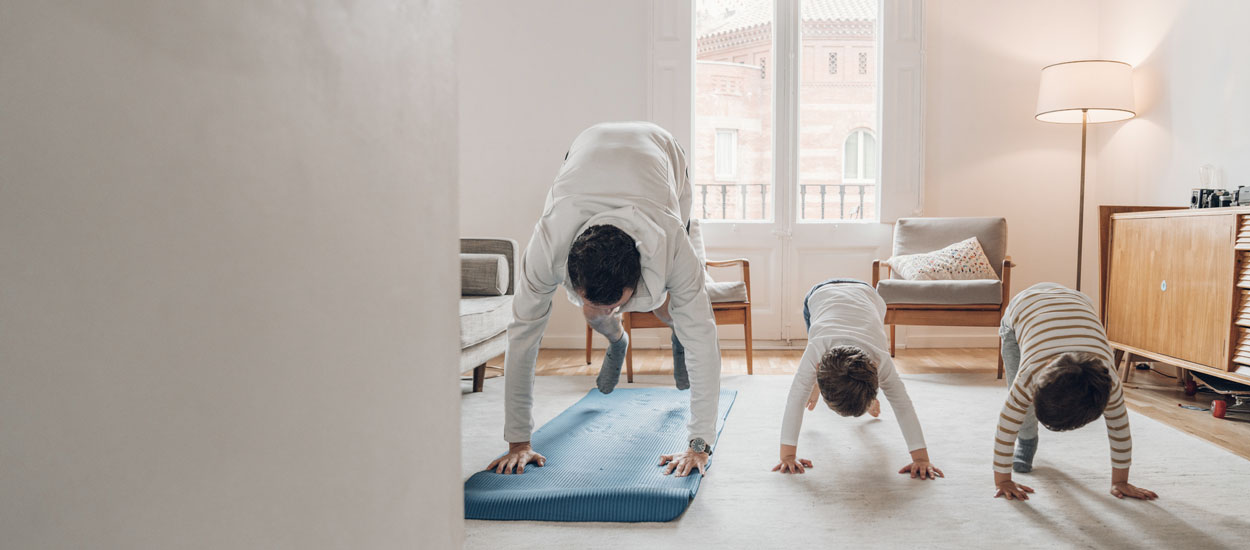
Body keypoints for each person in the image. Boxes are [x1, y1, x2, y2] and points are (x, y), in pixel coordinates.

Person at [487, 122, 722, 477]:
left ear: (639, 275)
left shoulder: (672, 243)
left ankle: (676, 332)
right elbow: (523, 337)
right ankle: (617, 339)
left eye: (619, 303)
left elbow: (704, 339)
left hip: (664, 157)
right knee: (593, 312)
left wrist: (699, 444)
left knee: (677, 311)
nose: (614, 308)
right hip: (587, 148)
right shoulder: (549, 243)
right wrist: (518, 441)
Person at [993, 282, 1157, 501]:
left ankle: (1028, 438)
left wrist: (1120, 481)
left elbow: (1119, 429)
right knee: (1019, 402)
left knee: (1023, 399)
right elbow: (1006, 424)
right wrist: (1003, 480)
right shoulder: (1029, 375)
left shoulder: (1109, 384)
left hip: (1076, 303)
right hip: (1021, 310)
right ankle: (1028, 440)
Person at [773, 279, 943, 481]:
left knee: (843, 377)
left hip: (868, 297)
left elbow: (902, 405)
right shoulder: (817, 347)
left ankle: (855, 388)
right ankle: (818, 383)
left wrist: (921, 458)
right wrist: (788, 455)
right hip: (820, 296)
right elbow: (795, 398)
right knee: (804, 384)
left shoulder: (880, 358)